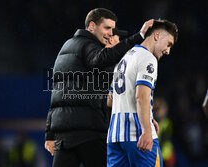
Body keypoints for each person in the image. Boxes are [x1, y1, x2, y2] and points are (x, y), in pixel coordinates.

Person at [44, 8, 154, 167]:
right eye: (107, 28)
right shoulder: (89, 46)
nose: (110, 34)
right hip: (89, 132)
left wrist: (50, 133)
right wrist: (139, 37)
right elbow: (105, 67)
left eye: (113, 29)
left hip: (65, 136)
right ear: (91, 26)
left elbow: (56, 94)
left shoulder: (67, 47)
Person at [107, 19, 178, 167]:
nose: (168, 51)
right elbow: (141, 96)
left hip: (115, 136)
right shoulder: (148, 58)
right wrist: (146, 130)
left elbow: (110, 100)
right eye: (168, 44)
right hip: (138, 135)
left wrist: (147, 117)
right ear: (157, 35)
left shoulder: (125, 58)